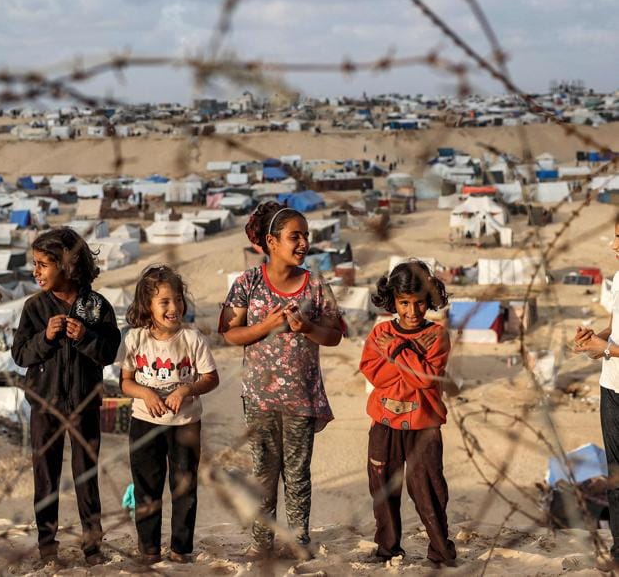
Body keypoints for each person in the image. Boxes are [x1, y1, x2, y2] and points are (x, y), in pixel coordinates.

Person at [219, 201, 345, 558]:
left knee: (298, 474)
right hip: (259, 397)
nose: (303, 243)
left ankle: (299, 541)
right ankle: (262, 544)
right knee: (263, 474)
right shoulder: (248, 282)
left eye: (306, 236)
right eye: (295, 236)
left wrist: (306, 328)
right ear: (272, 242)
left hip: (301, 397)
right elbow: (230, 333)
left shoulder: (315, 285)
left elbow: (334, 335)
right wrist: (266, 326)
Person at [12, 228, 121, 565]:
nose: (36, 271)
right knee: (45, 476)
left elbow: (109, 352)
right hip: (44, 405)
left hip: (84, 404)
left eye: (44, 264)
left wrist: (86, 337)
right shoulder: (34, 307)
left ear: (67, 265)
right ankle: (47, 546)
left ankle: (92, 546)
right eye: (35, 264)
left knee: (85, 475)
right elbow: (20, 355)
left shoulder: (96, 306)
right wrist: (45, 338)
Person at [360, 260, 457, 568]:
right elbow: (376, 375)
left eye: (419, 303)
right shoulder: (379, 333)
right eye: (404, 303)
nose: (412, 312)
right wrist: (413, 366)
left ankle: (441, 552)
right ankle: (388, 549)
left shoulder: (437, 336)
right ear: (393, 302)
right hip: (384, 424)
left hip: (424, 426)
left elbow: (428, 379)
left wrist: (399, 352)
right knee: (383, 488)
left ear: (429, 300)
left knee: (428, 490)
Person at [119, 265, 219, 564]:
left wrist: (185, 390)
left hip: (185, 425)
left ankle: (181, 550)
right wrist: (147, 393)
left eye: (177, 299)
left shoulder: (193, 340)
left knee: (184, 488)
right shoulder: (135, 340)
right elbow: (125, 382)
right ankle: (149, 549)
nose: (173, 307)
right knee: (146, 488)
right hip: (144, 424)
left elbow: (210, 378)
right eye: (164, 302)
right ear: (147, 306)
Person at [574, 218, 619, 563]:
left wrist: (602, 348)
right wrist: (595, 337)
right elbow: (617, 325)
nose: (614, 246)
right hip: (612, 387)